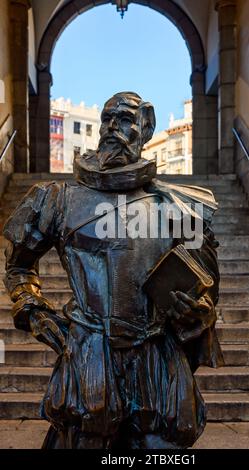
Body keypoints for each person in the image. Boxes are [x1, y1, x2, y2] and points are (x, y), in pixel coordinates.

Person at [3, 92, 223, 449]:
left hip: (156, 360)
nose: (111, 129)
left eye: (123, 120)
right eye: (107, 119)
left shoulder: (181, 209)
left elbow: (207, 291)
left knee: (161, 449)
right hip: (89, 355)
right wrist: (33, 310)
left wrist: (197, 314)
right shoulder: (57, 200)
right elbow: (19, 266)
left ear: (146, 128)